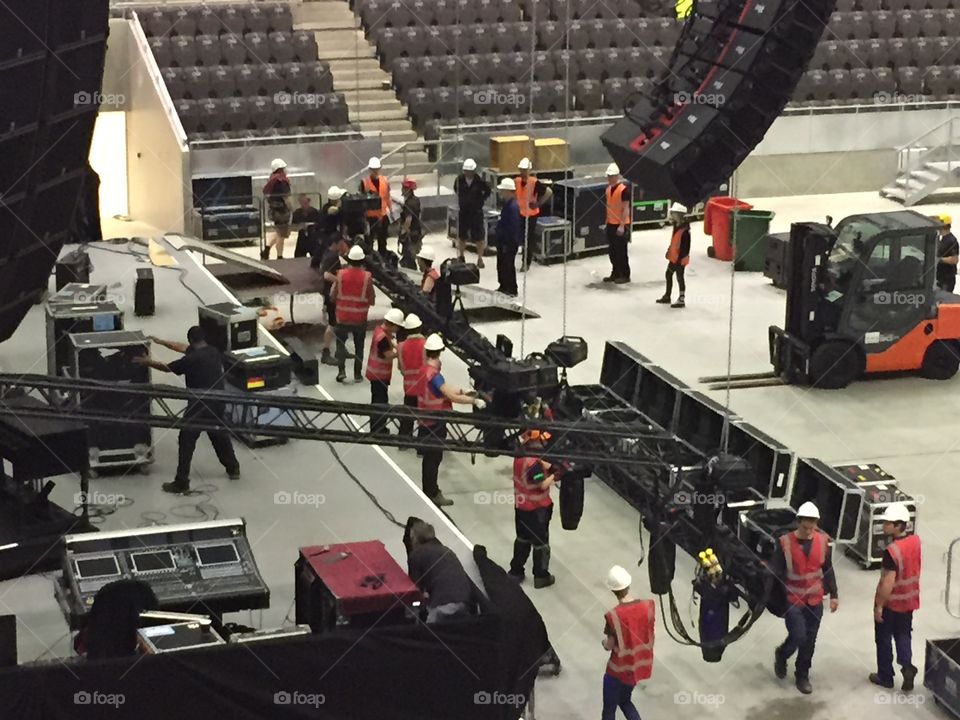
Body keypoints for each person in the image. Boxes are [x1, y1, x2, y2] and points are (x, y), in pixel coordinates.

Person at [133, 327, 240, 494]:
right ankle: (233, 468)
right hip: (217, 402)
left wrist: (147, 362)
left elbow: (167, 367)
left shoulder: (190, 360)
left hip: (199, 405)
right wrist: (162, 342)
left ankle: (181, 481)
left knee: (186, 440)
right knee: (219, 435)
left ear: (191, 340)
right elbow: (182, 347)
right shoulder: (213, 351)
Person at [770, 502, 839, 695]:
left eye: (813, 525)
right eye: (805, 525)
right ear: (799, 522)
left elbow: (828, 569)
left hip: (815, 600)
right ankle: (782, 654)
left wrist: (834, 594)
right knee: (799, 635)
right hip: (793, 599)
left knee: (810, 640)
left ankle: (802, 675)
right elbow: (775, 572)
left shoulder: (823, 541)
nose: (809, 530)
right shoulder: (784, 543)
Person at [418, 333, 486, 507]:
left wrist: (464, 391)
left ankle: (429, 490)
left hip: (426, 419)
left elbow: (446, 390)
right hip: (435, 421)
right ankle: (431, 492)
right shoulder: (434, 375)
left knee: (430, 458)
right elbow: (449, 396)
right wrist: (473, 401)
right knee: (433, 458)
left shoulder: (426, 371)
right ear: (440, 352)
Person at [870, 503, 920, 691]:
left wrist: (879, 606)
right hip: (909, 601)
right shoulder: (915, 542)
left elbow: (887, 582)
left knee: (883, 638)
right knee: (903, 634)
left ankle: (885, 676)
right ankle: (907, 666)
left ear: (899, 525)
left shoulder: (891, 552)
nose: (884, 526)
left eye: (888, 523)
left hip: (892, 603)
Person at [601, 566, 655, 720]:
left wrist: (603, 643)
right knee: (625, 701)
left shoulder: (614, 616)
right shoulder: (647, 607)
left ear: (612, 590)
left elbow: (609, 645)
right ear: (628, 585)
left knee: (609, 710)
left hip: (617, 670)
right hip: (635, 668)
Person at [508, 430, 556, 588]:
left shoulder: (520, 457)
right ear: (534, 442)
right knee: (540, 543)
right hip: (537, 509)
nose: (544, 443)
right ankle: (541, 576)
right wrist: (556, 474)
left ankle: (516, 571)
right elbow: (541, 485)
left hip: (521, 508)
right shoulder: (534, 463)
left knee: (522, 538)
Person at [407, 520, 475, 624]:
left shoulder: (416, 555)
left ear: (415, 538)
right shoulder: (446, 550)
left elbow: (414, 590)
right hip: (465, 601)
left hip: (443, 604)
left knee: (427, 633)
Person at [331, 244, 376, 383]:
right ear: (362, 261)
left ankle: (341, 371)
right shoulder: (367, 277)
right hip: (360, 318)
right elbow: (372, 298)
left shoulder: (340, 275)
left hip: (342, 317)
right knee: (359, 346)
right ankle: (357, 374)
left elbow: (332, 295)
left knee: (340, 344)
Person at [366, 307, 405, 435]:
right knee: (380, 402)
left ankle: (378, 427)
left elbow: (391, 343)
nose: (398, 329)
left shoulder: (380, 331)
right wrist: (400, 353)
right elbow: (388, 354)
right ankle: (378, 429)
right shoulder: (382, 337)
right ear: (392, 324)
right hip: (379, 375)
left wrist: (397, 346)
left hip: (376, 373)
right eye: (397, 326)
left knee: (380, 400)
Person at [317, 224, 349, 366]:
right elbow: (326, 274)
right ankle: (326, 352)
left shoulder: (331, 254)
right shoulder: (331, 256)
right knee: (333, 324)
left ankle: (340, 349)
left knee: (339, 323)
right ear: (336, 243)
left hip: (334, 293)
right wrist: (340, 281)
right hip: (331, 295)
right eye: (342, 243)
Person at [515, 157, 552, 271]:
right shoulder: (516, 181)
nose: (523, 172)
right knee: (519, 237)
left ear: (529, 170)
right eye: (522, 169)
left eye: (525, 170)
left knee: (528, 239)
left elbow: (548, 192)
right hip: (519, 213)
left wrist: (538, 204)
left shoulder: (534, 182)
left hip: (531, 214)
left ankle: (526, 263)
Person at [454, 158, 492, 267]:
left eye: (469, 171)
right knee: (462, 235)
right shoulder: (459, 180)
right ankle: (461, 256)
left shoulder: (479, 181)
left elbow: (488, 191)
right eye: (466, 170)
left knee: (479, 237)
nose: (467, 173)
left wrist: (481, 200)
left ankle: (480, 258)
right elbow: (456, 189)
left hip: (476, 212)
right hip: (464, 212)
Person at [656, 202, 691, 308]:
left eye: (673, 213)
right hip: (674, 257)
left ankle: (681, 299)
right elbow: (675, 242)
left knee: (679, 277)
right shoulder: (677, 226)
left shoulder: (685, 231)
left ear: (679, 215)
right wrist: (669, 251)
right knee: (669, 274)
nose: (672, 215)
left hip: (679, 259)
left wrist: (679, 259)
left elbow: (685, 247)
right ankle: (667, 296)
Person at [397, 313, 426, 439]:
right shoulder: (426, 344)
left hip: (408, 386)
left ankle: (404, 439)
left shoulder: (401, 346)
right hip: (423, 387)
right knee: (424, 416)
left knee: (407, 414)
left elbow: (401, 369)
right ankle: (421, 443)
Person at [603, 163, 632, 284]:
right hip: (611, 223)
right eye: (608, 176)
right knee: (612, 251)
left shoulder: (624, 190)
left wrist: (621, 225)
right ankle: (615, 273)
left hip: (621, 224)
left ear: (616, 176)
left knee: (621, 251)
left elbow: (626, 209)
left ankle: (625, 274)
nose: (609, 178)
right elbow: (609, 207)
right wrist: (606, 221)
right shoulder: (608, 189)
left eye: (611, 176)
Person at [494, 177, 521, 297]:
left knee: (508, 265)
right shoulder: (508, 205)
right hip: (502, 241)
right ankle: (503, 286)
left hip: (509, 242)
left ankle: (511, 289)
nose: (501, 193)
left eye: (502, 191)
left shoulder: (513, 207)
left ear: (508, 191)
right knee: (501, 264)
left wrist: (507, 242)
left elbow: (512, 227)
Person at [360, 156, 391, 255]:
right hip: (370, 217)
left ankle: (383, 259)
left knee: (383, 240)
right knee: (369, 241)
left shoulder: (385, 181)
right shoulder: (364, 183)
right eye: (373, 169)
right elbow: (361, 200)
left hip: (383, 215)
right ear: (370, 169)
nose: (375, 171)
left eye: (377, 169)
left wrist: (390, 211)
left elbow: (387, 197)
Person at [262, 158, 292, 259]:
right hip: (282, 211)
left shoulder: (272, 179)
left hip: (273, 210)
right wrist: (292, 208)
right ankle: (279, 256)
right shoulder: (282, 181)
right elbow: (286, 197)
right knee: (282, 235)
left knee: (279, 231)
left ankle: (266, 249)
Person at [398, 178, 423, 269]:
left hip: (410, 235)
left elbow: (408, 219)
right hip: (416, 232)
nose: (402, 189)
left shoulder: (409, 204)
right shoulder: (416, 200)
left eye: (404, 188)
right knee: (409, 258)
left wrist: (403, 232)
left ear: (408, 190)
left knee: (409, 260)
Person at [292, 194, 322, 259]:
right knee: (298, 258)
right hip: (302, 239)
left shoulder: (314, 212)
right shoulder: (297, 213)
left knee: (316, 257)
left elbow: (319, 224)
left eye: (307, 202)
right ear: (300, 203)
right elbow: (294, 226)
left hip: (313, 239)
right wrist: (299, 226)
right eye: (303, 202)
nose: (306, 204)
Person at [936, 215, 958, 292]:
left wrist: (939, 260)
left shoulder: (952, 240)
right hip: (938, 277)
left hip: (947, 280)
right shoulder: (939, 238)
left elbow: (955, 259)